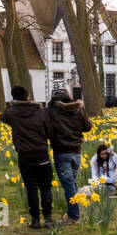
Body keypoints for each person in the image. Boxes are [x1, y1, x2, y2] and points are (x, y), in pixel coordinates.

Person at [0, 86, 55, 229]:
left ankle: (35, 220)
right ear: (28, 96)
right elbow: (50, 133)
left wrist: (13, 105)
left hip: (24, 156)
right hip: (42, 154)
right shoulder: (41, 112)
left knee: (31, 188)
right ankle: (48, 219)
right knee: (45, 188)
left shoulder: (11, 113)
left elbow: (3, 116)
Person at [46, 88, 92, 224]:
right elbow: (87, 127)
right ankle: (73, 213)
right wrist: (82, 110)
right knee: (72, 182)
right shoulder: (77, 109)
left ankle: (73, 216)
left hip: (61, 152)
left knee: (69, 184)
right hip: (76, 151)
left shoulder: (51, 111)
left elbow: (47, 130)